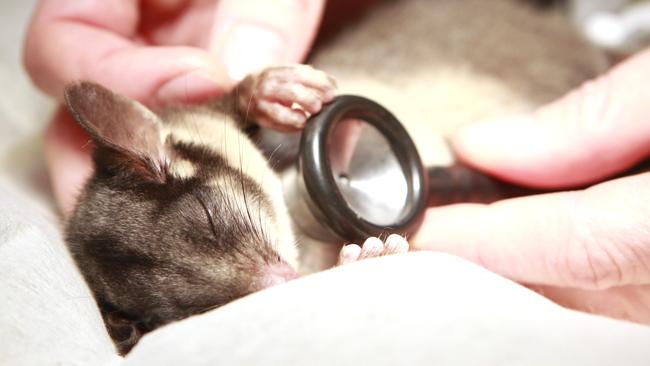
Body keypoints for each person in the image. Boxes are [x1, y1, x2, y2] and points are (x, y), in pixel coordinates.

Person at [24, 0, 650, 324]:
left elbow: (217, 117)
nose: (271, 280)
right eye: (200, 300)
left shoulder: (208, 131)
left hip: (524, 49)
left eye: (217, 229)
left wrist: (252, 91)